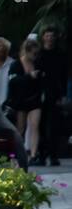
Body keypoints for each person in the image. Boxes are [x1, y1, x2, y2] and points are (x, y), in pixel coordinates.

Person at [34, 27, 68, 165]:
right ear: (43, 38)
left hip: (55, 93)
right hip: (40, 93)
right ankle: (41, 156)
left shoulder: (60, 55)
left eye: (52, 36)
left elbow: (64, 76)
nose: (49, 38)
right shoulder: (39, 54)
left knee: (54, 126)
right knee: (40, 125)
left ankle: (53, 156)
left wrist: (63, 95)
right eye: (47, 36)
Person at [10, 39, 44, 160]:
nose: (35, 56)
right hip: (21, 100)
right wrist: (29, 76)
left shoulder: (38, 63)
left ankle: (34, 154)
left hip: (34, 99)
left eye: (37, 54)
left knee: (35, 125)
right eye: (34, 53)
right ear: (27, 51)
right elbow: (13, 81)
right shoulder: (16, 64)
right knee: (20, 128)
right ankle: (17, 153)